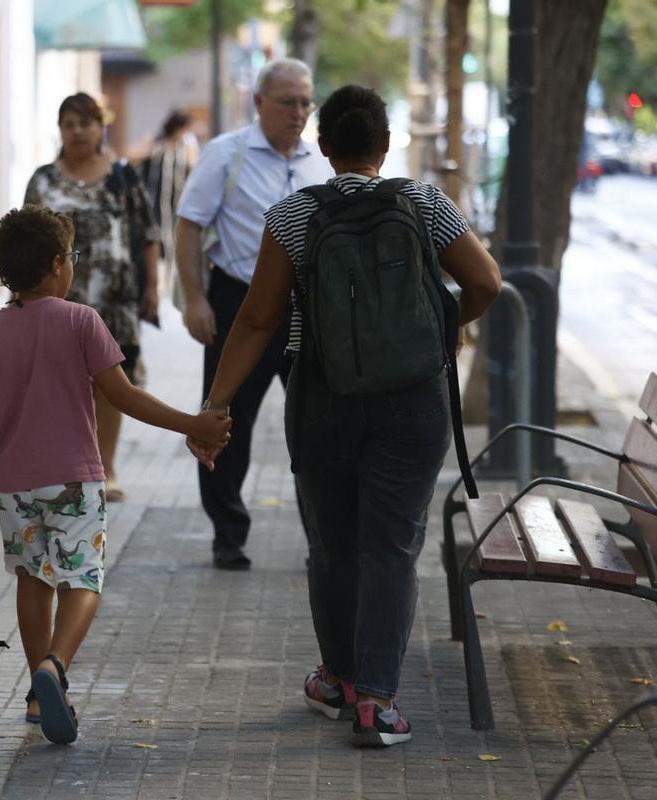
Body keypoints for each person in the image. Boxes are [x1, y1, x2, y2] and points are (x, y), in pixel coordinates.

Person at [191, 85, 501, 746]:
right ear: (385, 146)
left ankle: (338, 680)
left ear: (323, 146)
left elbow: (255, 319)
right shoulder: (422, 202)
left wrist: (216, 405)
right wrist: (429, 334)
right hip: (412, 403)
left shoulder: (294, 214)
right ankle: (379, 704)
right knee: (390, 547)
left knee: (332, 548)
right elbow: (485, 283)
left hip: (323, 397)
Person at [0, 205, 231, 745]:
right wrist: (194, 423)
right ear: (56, 265)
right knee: (83, 579)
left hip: (13, 484)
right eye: (70, 257)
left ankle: (35, 691)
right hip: (74, 479)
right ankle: (55, 666)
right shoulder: (81, 321)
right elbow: (123, 395)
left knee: (32, 580)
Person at [174, 58, 333, 570]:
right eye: (288, 102)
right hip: (238, 303)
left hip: (307, 309)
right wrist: (194, 298)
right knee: (224, 419)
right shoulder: (228, 154)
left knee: (318, 422)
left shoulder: (321, 160)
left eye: (306, 102)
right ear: (260, 102)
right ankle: (228, 532)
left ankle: (324, 537)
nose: (299, 112)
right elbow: (189, 226)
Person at [25, 92, 161, 504]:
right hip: (56, 303)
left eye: (85, 122)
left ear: (100, 126)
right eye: (69, 124)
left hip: (115, 299)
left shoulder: (123, 175)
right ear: (60, 130)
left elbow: (148, 234)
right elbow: (25, 239)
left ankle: (106, 468)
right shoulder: (44, 179)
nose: (78, 131)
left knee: (112, 386)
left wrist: (152, 287)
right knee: (60, 385)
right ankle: (68, 468)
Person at [141, 109, 198, 289]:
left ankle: (171, 287)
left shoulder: (186, 149)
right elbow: (137, 160)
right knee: (158, 244)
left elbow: (194, 172)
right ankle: (156, 285)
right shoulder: (157, 145)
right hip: (156, 206)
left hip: (178, 208)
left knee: (176, 246)